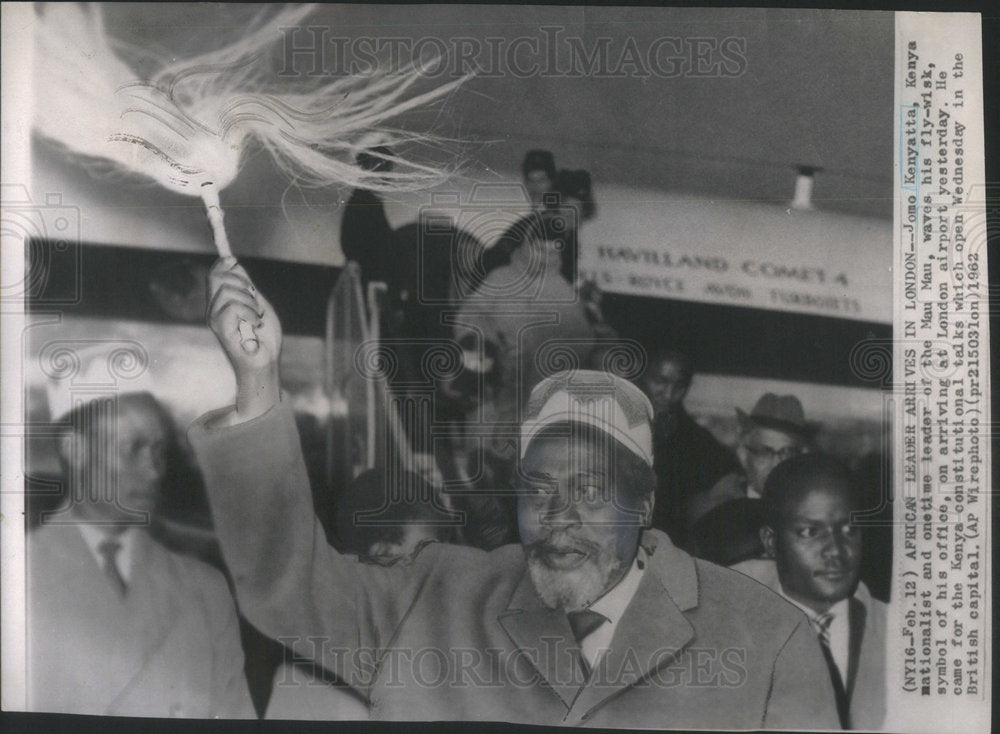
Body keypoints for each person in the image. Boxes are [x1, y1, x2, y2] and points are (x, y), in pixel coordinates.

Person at [188, 257, 841, 728]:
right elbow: (287, 592)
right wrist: (255, 383)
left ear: (643, 504)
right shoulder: (436, 595)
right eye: (538, 486)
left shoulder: (770, 641)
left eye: (590, 488)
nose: (560, 516)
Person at [27, 392, 255, 718]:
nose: (153, 472)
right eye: (132, 449)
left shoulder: (206, 589)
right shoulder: (18, 579)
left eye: (159, 451)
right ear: (74, 450)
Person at [732, 455, 886, 730]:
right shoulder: (727, 631)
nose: (837, 551)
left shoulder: (897, 632)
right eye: (810, 532)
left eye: (850, 530)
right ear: (770, 542)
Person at [689, 393, 812, 564]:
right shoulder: (710, 508)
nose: (777, 464)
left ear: (802, 459)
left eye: (787, 452)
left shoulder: (814, 513)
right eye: (765, 452)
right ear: (744, 455)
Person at [640, 349, 740, 548]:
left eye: (679, 386)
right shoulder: (613, 422)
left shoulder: (698, 442)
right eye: (660, 381)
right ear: (641, 376)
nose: (669, 394)